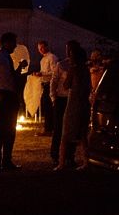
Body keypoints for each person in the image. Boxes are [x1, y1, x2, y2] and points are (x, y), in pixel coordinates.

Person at [0, 31, 26, 171]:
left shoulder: (6, 57)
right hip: (4, 95)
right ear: (7, 43)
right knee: (2, 128)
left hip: (11, 95)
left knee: (10, 128)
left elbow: (11, 76)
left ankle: (6, 160)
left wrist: (20, 68)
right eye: (13, 43)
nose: (15, 46)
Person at [55, 40, 92, 171]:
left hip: (74, 103)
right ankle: (86, 162)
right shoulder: (86, 70)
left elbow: (66, 85)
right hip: (84, 103)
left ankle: (61, 163)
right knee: (82, 134)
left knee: (65, 135)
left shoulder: (74, 68)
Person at [49, 51, 72, 167]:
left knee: (72, 128)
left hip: (73, 100)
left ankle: (69, 156)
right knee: (58, 128)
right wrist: (54, 98)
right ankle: (55, 155)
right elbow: (54, 81)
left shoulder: (80, 66)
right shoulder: (62, 65)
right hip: (61, 99)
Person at [35, 40, 59, 135]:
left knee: (49, 107)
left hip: (50, 84)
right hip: (45, 84)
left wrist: (42, 74)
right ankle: (48, 128)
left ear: (46, 47)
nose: (40, 50)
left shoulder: (52, 57)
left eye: (42, 48)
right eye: (39, 48)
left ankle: (49, 129)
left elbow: (55, 72)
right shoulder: (42, 59)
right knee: (46, 107)